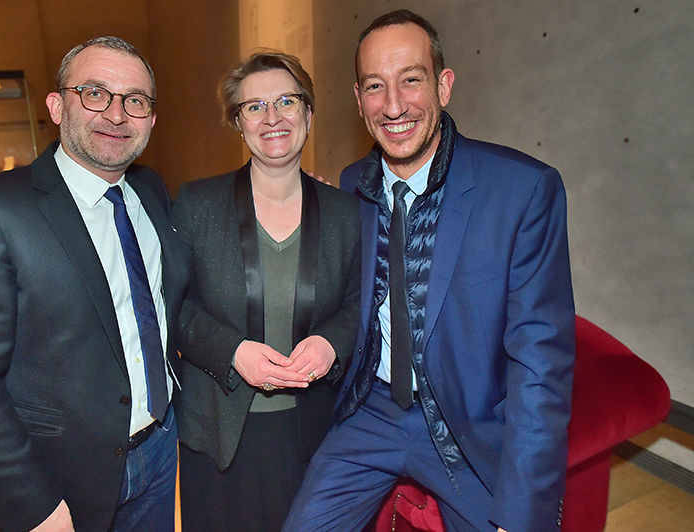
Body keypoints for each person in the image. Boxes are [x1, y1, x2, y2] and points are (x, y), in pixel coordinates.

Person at [283, 9, 575, 532]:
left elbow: (541, 363)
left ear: (443, 86)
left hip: (468, 428)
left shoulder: (522, 190)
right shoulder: (351, 187)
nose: (394, 105)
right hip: (371, 410)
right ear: (358, 100)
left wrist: (522, 513)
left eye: (411, 80)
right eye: (376, 86)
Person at [0, 36, 187, 532]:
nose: (116, 114)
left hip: (158, 451)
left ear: (151, 119)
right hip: (56, 481)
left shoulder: (150, 190)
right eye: (95, 93)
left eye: (135, 100)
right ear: (56, 105)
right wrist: (31, 505)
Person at [170, 50, 360, 532]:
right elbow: (173, 307)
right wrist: (232, 352)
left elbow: (361, 302)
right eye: (254, 106)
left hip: (312, 433)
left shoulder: (347, 213)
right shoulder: (195, 205)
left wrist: (331, 343)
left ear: (308, 112)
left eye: (286, 101)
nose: (272, 117)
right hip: (218, 436)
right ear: (238, 122)